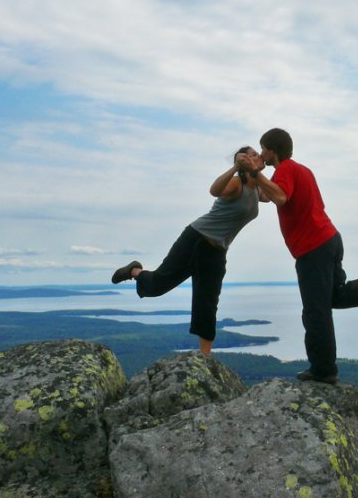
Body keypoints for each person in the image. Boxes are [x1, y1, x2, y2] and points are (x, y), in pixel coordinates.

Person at [238, 128, 358, 384]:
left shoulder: (285, 169)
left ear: (272, 149)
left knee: (315, 312)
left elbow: (280, 197)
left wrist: (254, 172)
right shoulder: (300, 169)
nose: (261, 153)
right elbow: (265, 196)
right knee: (335, 295)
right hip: (329, 239)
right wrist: (250, 175)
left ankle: (323, 370)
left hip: (313, 248)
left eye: (263, 148)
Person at [111, 147, 265, 356]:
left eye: (258, 153)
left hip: (217, 251)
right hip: (196, 239)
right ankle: (134, 271)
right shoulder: (237, 184)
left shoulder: (258, 190)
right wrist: (236, 167)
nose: (257, 156)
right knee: (157, 286)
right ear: (244, 161)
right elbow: (215, 190)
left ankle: (204, 357)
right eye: (252, 154)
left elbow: (278, 194)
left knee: (208, 302)